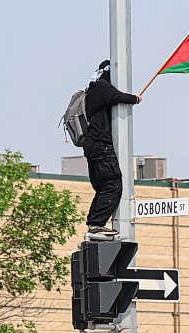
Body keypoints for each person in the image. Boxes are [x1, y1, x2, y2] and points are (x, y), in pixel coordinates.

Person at [84, 60, 142, 235]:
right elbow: (118, 96)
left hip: (92, 148)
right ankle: (96, 224)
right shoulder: (101, 87)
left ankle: (93, 223)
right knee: (113, 185)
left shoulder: (91, 89)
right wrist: (135, 99)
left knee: (103, 188)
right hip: (102, 147)